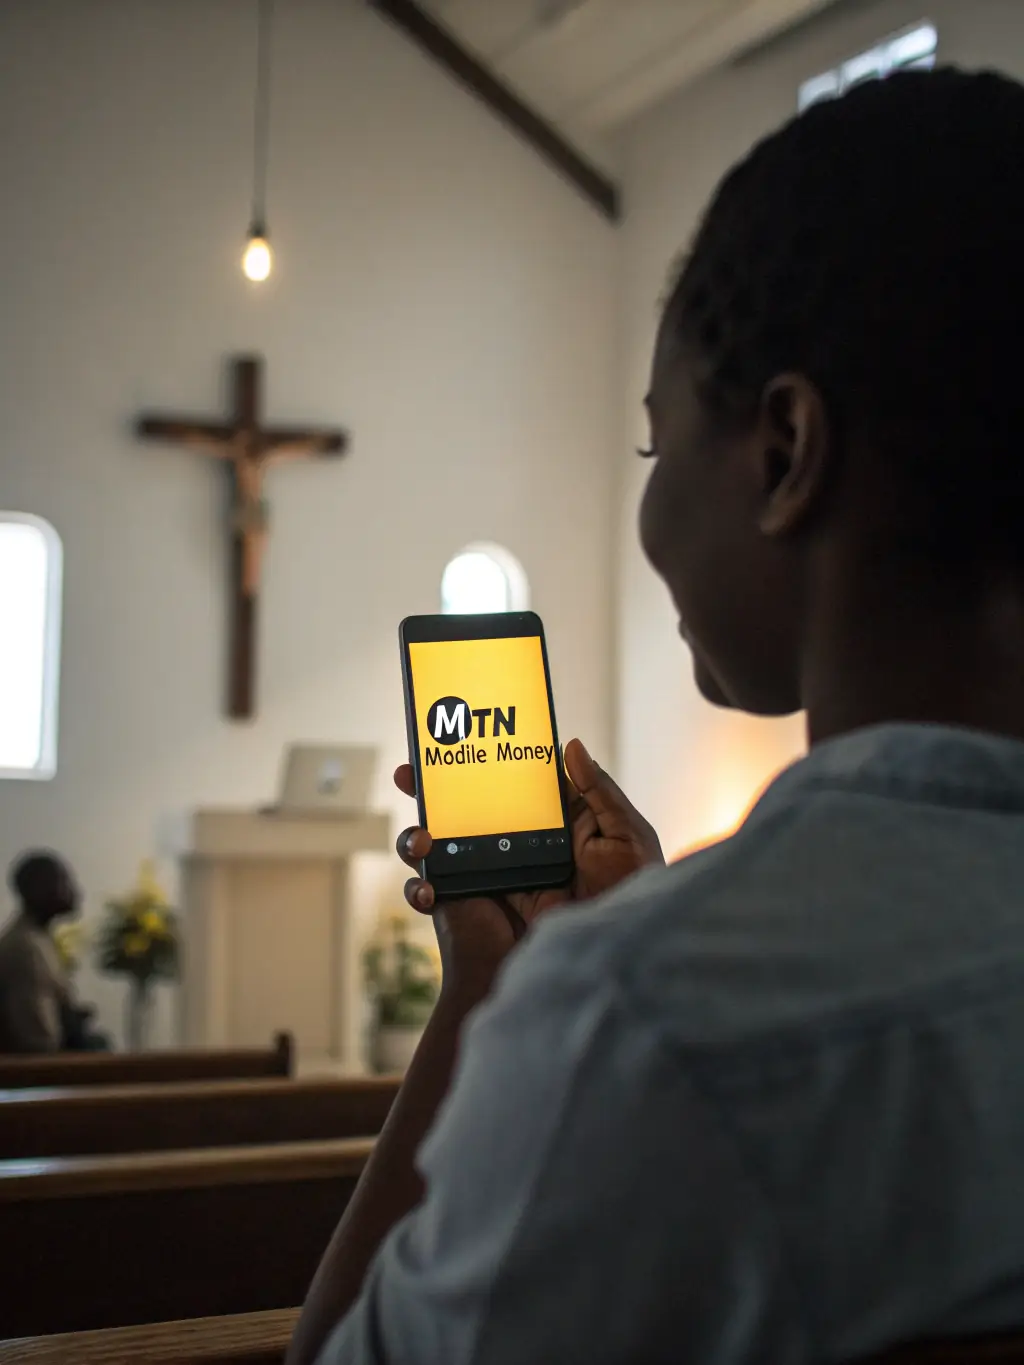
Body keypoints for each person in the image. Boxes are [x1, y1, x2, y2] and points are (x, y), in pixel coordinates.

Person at [291, 67, 1024, 1365]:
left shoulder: (651, 1021)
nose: (646, 514)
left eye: (652, 445)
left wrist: (501, 1001)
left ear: (787, 452)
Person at [0, 851, 107, 1052]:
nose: (75, 892)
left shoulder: (38, 937)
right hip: (36, 1075)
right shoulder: (25, 947)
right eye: (64, 882)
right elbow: (39, 1039)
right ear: (37, 888)